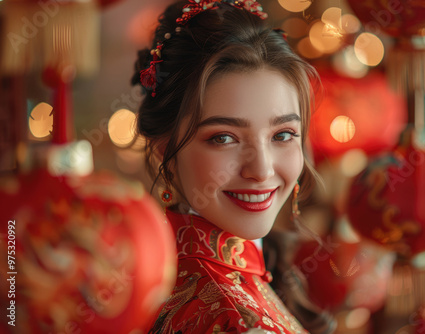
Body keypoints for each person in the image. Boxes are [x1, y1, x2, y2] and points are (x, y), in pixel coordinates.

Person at [132, 0, 334, 333]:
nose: (262, 169)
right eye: (224, 138)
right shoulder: (233, 319)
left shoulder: (159, 278)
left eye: (283, 134)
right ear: (163, 151)